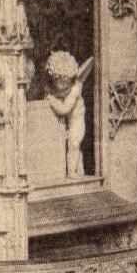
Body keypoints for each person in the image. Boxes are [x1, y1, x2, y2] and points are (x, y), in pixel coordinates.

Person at [43, 51, 93, 179]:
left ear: (69, 77)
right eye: (56, 80)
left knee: (73, 144)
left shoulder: (76, 88)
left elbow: (65, 109)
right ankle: (80, 169)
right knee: (75, 146)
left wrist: (51, 100)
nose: (60, 85)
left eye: (63, 81)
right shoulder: (62, 88)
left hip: (77, 122)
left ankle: (71, 172)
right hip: (67, 123)